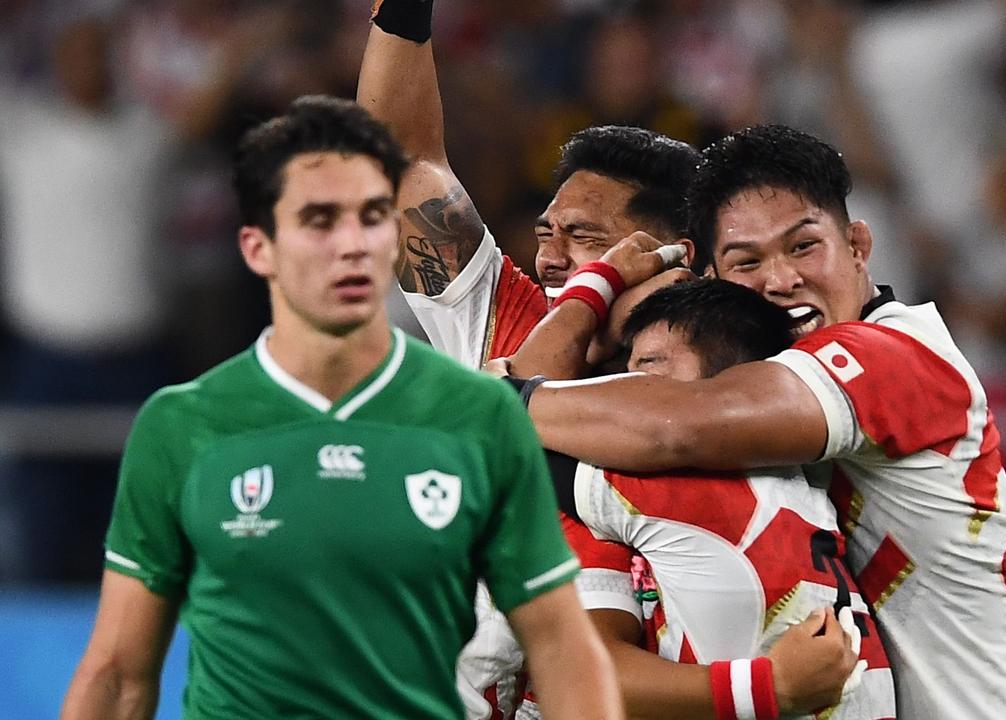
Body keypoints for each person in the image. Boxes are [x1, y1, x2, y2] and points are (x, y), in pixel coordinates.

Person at [61, 96, 622, 720]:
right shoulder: (182, 426)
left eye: (373, 216)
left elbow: (566, 653)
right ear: (257, 248)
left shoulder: (483, 418)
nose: (352, 245)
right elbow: (116, 677)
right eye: (320, 220)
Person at [519, 125, 1006, 719]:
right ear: (712, 276)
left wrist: (495, 401)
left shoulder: (898, 356)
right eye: (747, 262)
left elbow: (675, 427)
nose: (780, 281)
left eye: (803, 247)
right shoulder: (762, 394)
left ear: (858, 247)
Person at [532, 278, 896, 720]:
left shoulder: (674, 485)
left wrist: (593, 287)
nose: (625, 387)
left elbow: (498, 426)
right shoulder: (809, 476)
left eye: (649, 366)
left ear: (725, 386)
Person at [357, 0, 698, 371]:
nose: (550, 259)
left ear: (676, 255)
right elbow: (402, 160)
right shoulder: (505, 324)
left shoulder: (732, 356)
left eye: (584, 237)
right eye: (546, 235)